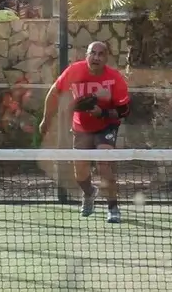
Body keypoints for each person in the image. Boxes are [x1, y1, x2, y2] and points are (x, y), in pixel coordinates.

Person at [40, 40, 132, 224]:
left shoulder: (115, 79)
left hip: (107, 125)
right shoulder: (74, 71)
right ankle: (90, 192)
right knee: (80, 173)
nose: (96, 57)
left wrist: (103, 112)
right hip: (81, 128)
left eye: (101, 54)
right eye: (93, 53)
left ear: (106, 58)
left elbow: (124, 110)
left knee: (103, 164)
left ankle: (113, 207)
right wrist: (46, 119)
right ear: (87, 55)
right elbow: (54, 93)